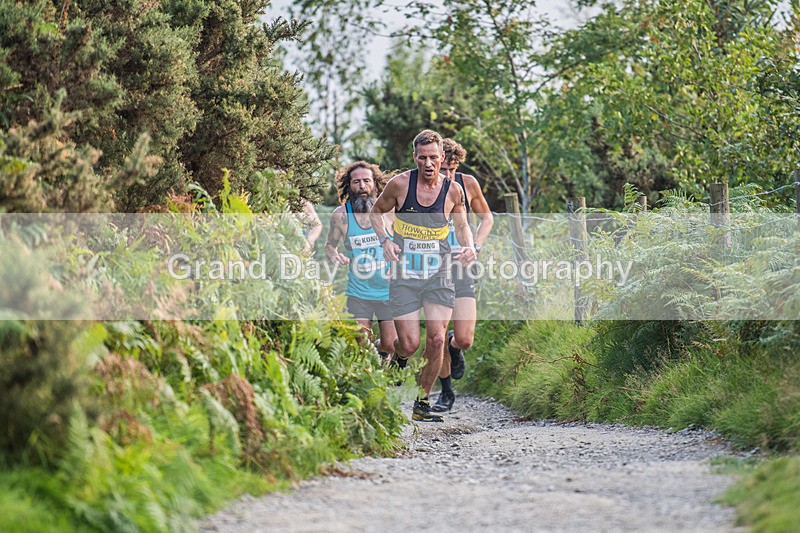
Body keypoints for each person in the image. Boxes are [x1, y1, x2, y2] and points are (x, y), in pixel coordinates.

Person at [369, 130, 476, 422]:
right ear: (414, 157)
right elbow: (376, 212)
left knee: (439, 339)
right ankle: (400, 358)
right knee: (409, 344)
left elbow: (462, 225)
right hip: (405, 273)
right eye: (422, 157)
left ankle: (421, 402)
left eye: (433, 157)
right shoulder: (400, 185)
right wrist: (385, 241)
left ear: (443, 158)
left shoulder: (453, 190)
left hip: (439, 272)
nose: (428, 163)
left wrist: (468, 247)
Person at [433, 138, 494, 412]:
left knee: (465, 338)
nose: (444, 174)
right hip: (433, 266)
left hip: (462, 263)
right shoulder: (425, 187)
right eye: (440, 167)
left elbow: (487, 218)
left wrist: (475, 246)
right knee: (439, 330)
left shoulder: (467, 184)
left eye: (449, 169)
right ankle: (446, 392)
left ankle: (453, 347)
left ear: (456, 165)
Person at [324, 161, 397, 359]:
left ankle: (382, 354)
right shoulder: (340, 216)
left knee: (391, 344)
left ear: (375, 184)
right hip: (359, 291)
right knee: (362, 343)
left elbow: (405, 244)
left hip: (388, 290)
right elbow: (330, 246)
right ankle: (371, 374)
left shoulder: (389, 213)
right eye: (356, 182)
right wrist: (335, 255)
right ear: (349, 186)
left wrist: (400, 266)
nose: (362, 186)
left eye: (367, 181)